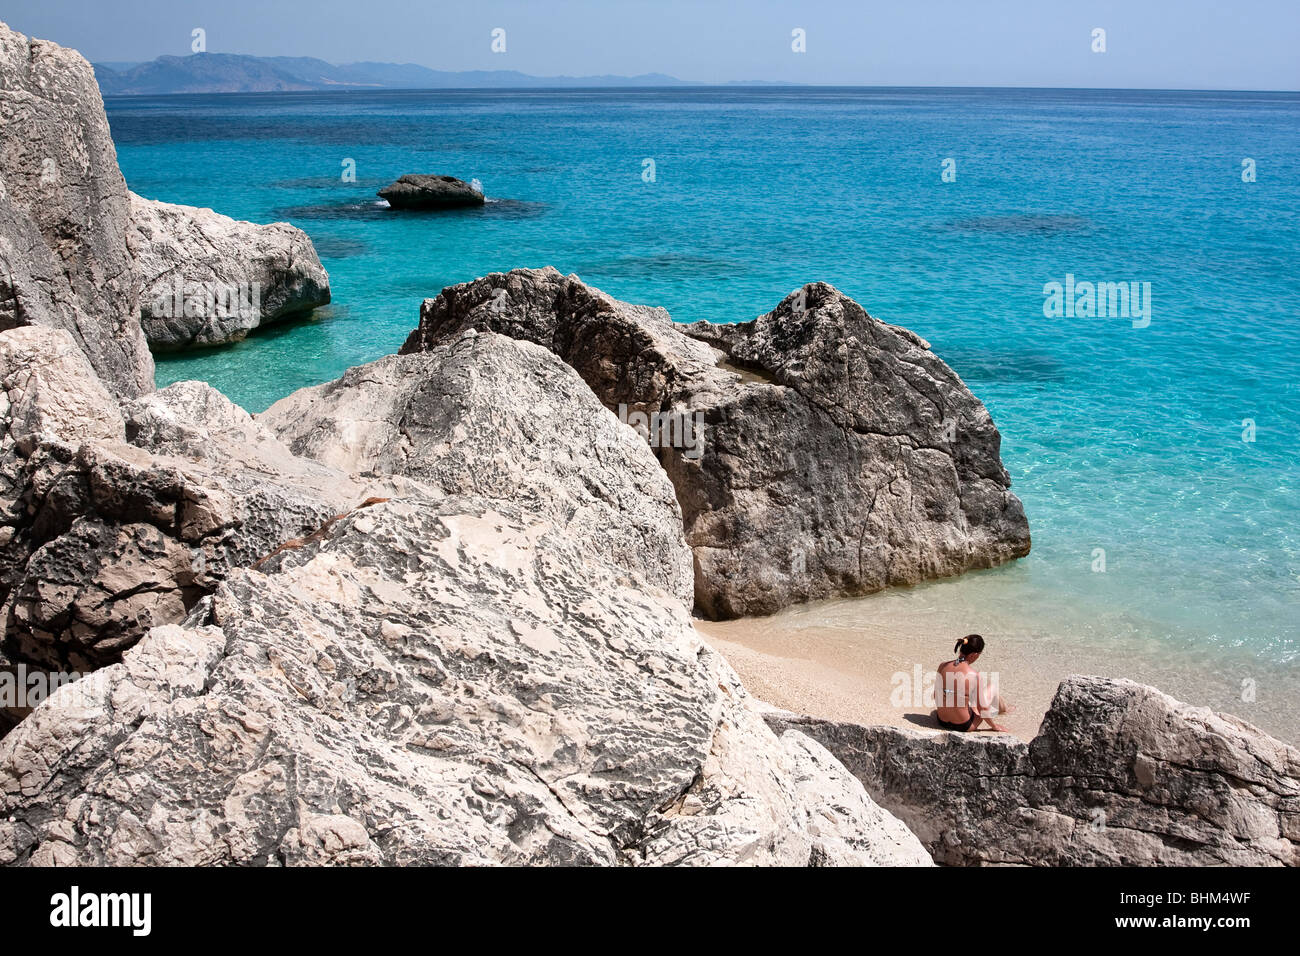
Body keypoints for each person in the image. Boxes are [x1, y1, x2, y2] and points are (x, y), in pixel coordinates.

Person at [935, 634, 1014, 732]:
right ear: (974, 655)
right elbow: (983, 709)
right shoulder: (974, 676)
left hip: (941, 721)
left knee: (962, 697)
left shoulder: (942, 666)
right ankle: (1004, 710)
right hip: (963, 726)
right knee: (991, 688)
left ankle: (1004, 709)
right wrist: (994, 727)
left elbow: (936, 695)